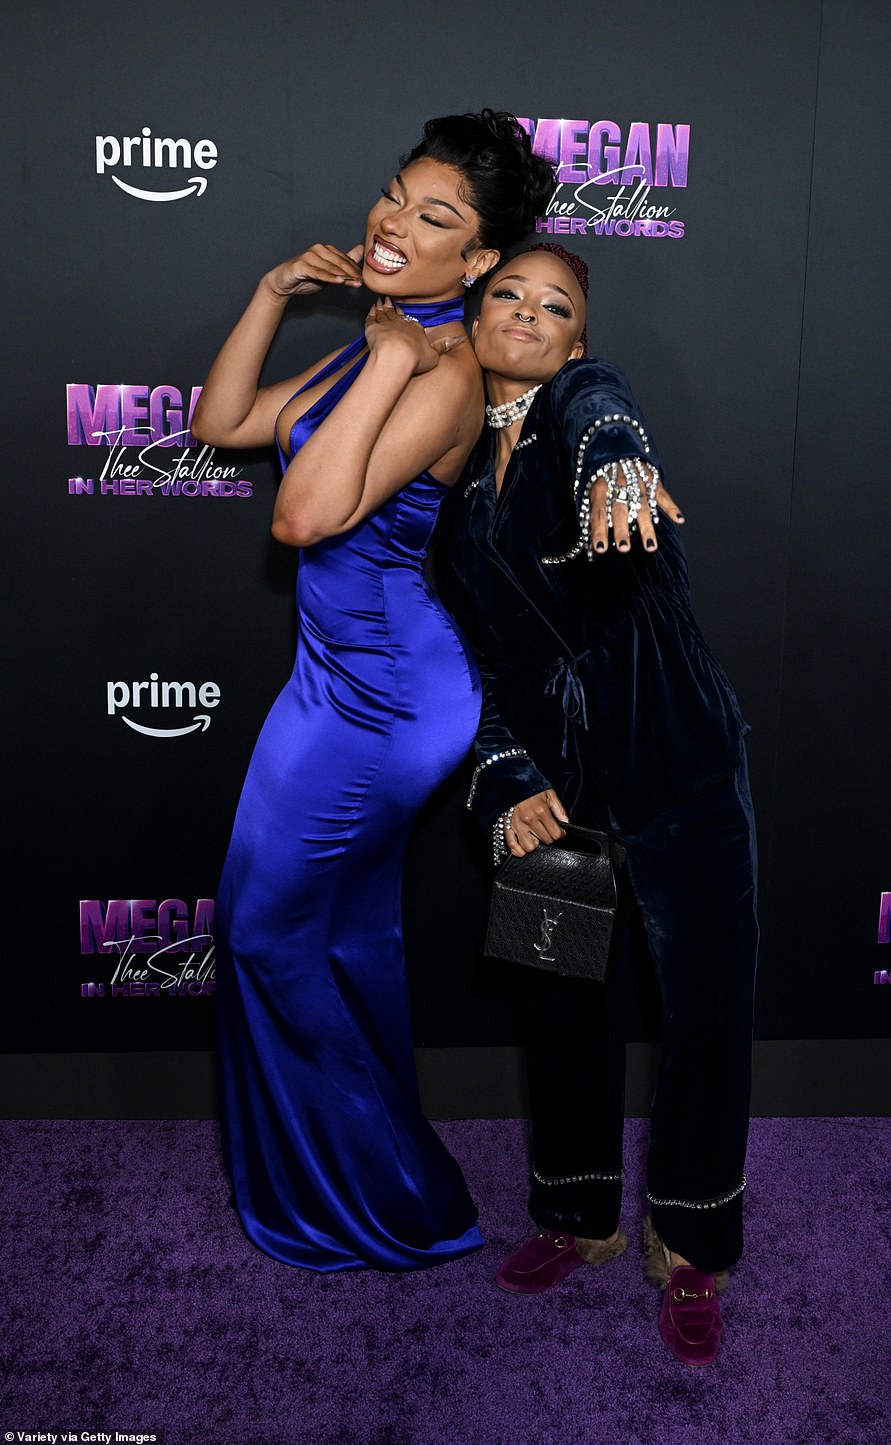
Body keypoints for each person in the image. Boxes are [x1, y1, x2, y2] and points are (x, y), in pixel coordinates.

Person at [190, 113, 554, 1273]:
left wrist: (395, 354)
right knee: (329, 936)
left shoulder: (441, 367)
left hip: (388, 701)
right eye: (396, 196)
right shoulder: (382, 333)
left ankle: (387, 1197)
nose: (394, 223)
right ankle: (346, 1179)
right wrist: (270, 293)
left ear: (480, 259)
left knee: (264, 930)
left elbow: (302, 517)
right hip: (329, 683)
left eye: (434, 217)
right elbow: (226, 424)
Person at [433, 244, 758, 1364]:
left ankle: (695, 1238)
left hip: (675, 766)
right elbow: (452, 664)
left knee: (706, 1010)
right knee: (560, 1005)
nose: (526, 314)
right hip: (551, 790)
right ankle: (578, 1218)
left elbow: (601, 409)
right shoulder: (451, 486)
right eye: (505, 297)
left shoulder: (584, 403)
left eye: (553, 307)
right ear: (471, 321)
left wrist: (615, 458)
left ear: (575, 338)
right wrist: (501, 774)